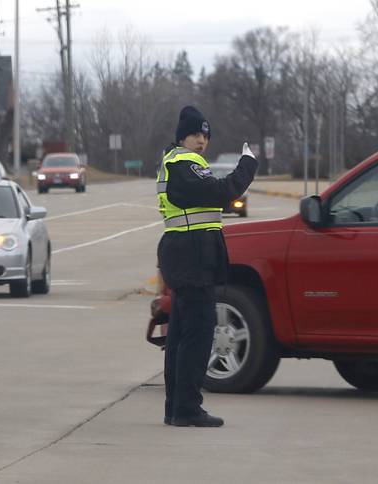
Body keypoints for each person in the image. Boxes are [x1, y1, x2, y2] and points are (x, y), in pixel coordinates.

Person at [157, 106, 258, 427]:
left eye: (205, 135)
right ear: (182, 137)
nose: (201, 141)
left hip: (186, 249)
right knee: (198, 333)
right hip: (191, 251)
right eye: (195, 135)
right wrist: (248, 166)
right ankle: (187, 408)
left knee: (182, 333)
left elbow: (213, 196)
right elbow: (220, 192)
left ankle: (176, 407)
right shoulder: (182, 162)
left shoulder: (180, 162)